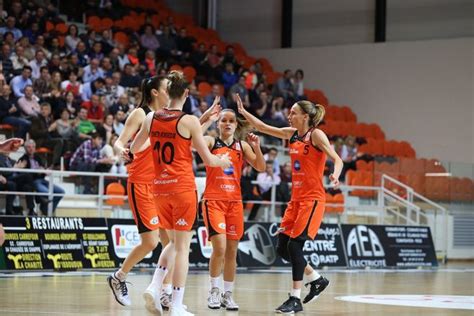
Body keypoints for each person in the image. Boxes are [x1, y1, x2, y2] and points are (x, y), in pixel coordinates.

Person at [129, 71, 231, 316]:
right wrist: (223, 160)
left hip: (159, 189)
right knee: (182, 247)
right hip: (182, 188)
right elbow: (207, 159)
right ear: (186, 93)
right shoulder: (189, 121)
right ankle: (175, 305)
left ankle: (155, 287)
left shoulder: (151, 118)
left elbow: (133, 148)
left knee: (173, 243)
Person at [236, 95, 342, 313]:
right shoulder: (291, 134)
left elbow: (337, 159)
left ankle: (295, 299)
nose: (289, 115)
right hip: (296, 200)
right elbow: (263, 126)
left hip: (312, 199)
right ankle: (316, 278)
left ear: (305, 116)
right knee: (282, 249)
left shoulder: (316, 135)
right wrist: (243, 112)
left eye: (293, 112)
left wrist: (335, 175)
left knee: (295, 246)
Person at [107, 75, 173, 313]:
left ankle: (164, 292)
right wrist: (123, 150)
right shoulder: (140, 114)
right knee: (151, 241)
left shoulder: (167, 116)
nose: (170, 90)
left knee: (171, 243)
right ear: (155, 92)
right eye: (167, 87)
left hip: (162, 186)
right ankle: (119, 277)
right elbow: (118, 142)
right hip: (141, 183)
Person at [201, 109, 265, 311]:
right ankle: (214, 291)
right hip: (214, 201)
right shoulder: (211, 142)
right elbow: (194, 143)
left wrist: (257, 147)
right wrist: (206, 119)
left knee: (231, 251)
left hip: (234, 203)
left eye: (231, 121)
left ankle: (228, 294)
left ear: (236, 125)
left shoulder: (242, 146)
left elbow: (261, 167)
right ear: (218, 124)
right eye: (223, 121)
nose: (227, 124)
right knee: (219, 248)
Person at [18, 140, 65, 216]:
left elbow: (43, 168)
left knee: (61, 192)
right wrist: (37, 171)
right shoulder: (23, 159)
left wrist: (45, 170)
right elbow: (24, 175)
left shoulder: (38, 157)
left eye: (33, 147)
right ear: (25, 148)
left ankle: (46, 209)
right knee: (48, 193)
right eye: (29, 147)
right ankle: (45, 209)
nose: (31, 149)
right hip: (34, 181)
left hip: (42, 179)